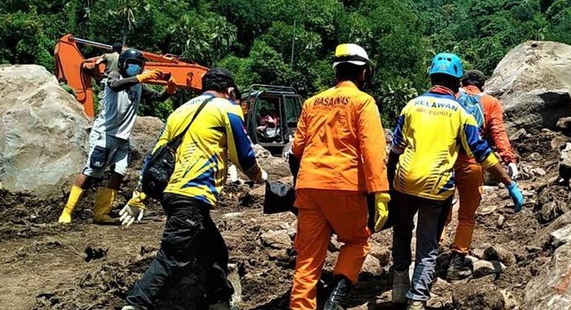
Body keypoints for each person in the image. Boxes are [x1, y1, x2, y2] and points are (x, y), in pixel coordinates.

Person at [120, 68, 267, 310]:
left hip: (172, 194)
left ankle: (219, 301)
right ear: (230, 90)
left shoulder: (179, 111)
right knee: (173, 257)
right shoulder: (227, 107)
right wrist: (261, 177)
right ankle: (136, 304)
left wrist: (140, 197)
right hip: (192, 196)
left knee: (214, 252)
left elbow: (155, 157)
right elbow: (243, 156)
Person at [388, 53, 523, 309]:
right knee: (434, 240)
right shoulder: (463, 112)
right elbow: (485, 149)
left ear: (431, 77)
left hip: (405, 181)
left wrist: (388, 186)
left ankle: (398, 285)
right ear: (457, 82)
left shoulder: (411, 106)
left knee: (403, 229)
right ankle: (419, 297)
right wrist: (509, 182)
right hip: (442, 181)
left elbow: (394, 150)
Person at [289, 43, 389, 310]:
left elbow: (297, 149)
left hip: (309, 186)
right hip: (344, 184)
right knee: (357, 241)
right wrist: (381, 192)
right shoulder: (363, 102)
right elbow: (372, 150)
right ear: (364, 73)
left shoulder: (312, 102)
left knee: (307, 259)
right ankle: (334, 300)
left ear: (336, 71)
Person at [57, 49, 177, 224]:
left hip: (122, 137)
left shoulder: (138, 86)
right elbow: (114, 85)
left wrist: (170, 90)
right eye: (132, 65)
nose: (135, 68)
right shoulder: (114, 76)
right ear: (123, 64)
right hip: (105, 134)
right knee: (92, 171)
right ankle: (67, 211)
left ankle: (102, 213)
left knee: (119, 173)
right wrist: (139, 78)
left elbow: (158, 98)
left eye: (138, 66)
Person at [447, 69, 521, 280]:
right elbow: (498, 132)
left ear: (461, 83)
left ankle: (431, 254)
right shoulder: (490, 103)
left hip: (446, 160)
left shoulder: (452, 96)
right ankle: (457, 260)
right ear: (483, 85)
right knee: (467, 215)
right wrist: (509, 160)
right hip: (473, 161)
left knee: (441, 209)